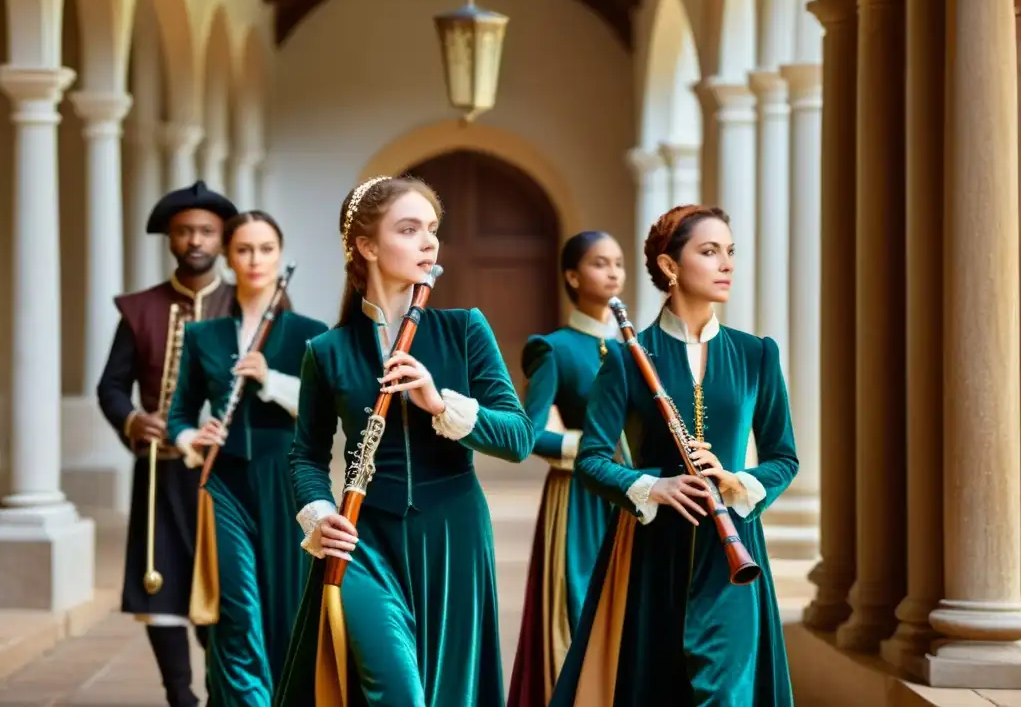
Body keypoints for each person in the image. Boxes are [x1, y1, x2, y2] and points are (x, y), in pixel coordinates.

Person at [274, 175, 535, 707]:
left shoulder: (464, 329)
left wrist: (440, 405)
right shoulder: (327, 350)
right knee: (397, 692)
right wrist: (320, 515)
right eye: (409, 229)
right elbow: (305, 456)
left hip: (453, 535)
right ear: (366, 246)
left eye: (432, 230)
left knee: (447, 693)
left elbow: (518, 438)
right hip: (363, 538)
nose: (428, 243)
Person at [549, 204, 797, 707]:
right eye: (709, 252)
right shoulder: (626, 357)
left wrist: (735, 480)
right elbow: (594, 458)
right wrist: (652, 486)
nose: (726, 264)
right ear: (670, 266)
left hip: (733, 553)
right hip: (653, 549)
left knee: (726, 692)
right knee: (657, 686)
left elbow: (783, 458)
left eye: (730, 252)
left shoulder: (757, 355)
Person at [165, 211, 328, 706]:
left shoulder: (310, 332)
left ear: (279, 257)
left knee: (287, 607)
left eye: (265, 249)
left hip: (289, 481)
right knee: (237, 612)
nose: (254, 260)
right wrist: (196, 435)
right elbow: (177, 417)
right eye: (243, 250)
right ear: (228, 258)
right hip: (226, 485)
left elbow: (329, 410)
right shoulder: (203, 336)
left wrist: (269, 380)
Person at [96, 180, 238, 707]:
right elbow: (111, 386)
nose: (194, 240)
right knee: (161, 582)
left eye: (205, 231)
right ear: (170, 240)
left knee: (225, 589)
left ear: (222, 238)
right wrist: (134, 419)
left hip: (228, 475)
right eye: (184, 232)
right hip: (161, 471)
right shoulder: (141, 310)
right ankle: (179, 696)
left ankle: (226, 689)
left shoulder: (248, 303)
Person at [508, 231, 628, 706]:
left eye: (618, 262)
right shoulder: (553, 348)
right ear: (573, 277)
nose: (613, 271)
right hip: (579, 498)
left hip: (633, 495)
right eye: (600, 263)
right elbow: (528, 432)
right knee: (577, 608)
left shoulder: (636, 347)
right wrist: (591, 446)